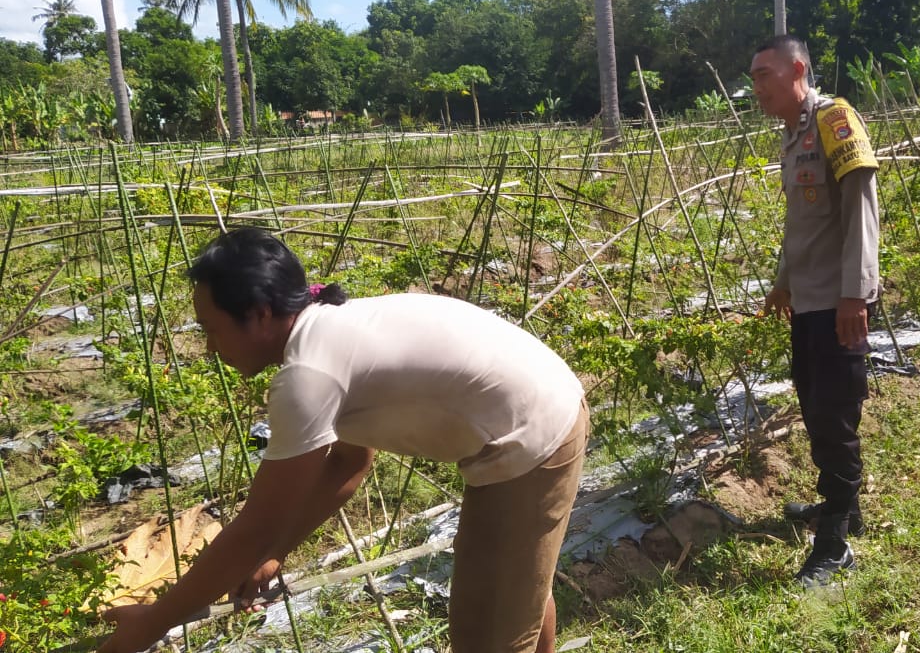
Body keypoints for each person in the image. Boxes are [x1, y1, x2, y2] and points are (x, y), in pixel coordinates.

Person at [97, 227, 589, 653]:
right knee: (515, 590)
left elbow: (253, 527)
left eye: (212, 329)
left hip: (530, 437)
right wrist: (276, 551)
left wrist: (153, 623)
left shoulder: (307, 375)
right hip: (539, 406)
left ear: (261, 313)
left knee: (487, 629)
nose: (209, 347)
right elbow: (348, 464)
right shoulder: (327, 327)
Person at [750, 35, 881, 587]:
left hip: (838, 302)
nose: (756, 87)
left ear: (797, 68)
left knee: (833, 414)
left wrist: (857, 293)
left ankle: (835, 543)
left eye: (764, 75)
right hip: (808, 299)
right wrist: (783, 283)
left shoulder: (834, 120)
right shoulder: (792, 137)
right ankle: (842, 509)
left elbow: (861, 206)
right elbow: (801, 226)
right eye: (753, 77)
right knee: (816, 406)